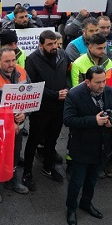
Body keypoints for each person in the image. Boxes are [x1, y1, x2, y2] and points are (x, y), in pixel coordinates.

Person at [64, 65, 112, 225]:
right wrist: (93, 120)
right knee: (77, 181)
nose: (102, 85)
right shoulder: (75, 95)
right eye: (98, 82)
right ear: (87, 82)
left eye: (104, 81)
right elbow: (68, 120)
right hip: (82, 146)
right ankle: (71, 209)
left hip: (102, 146)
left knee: (92, 179)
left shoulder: (110, 91)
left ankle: (86, 203)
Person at [0, 47, 30, 203]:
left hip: (18, 125)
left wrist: (25, 114)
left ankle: (12, 178)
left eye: (13, 60)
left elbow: (29, 97)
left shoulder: (21, 71)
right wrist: (11, 122)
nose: (11, 64)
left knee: (15, 152)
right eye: (7, 61)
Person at [22, 31, 70, 190]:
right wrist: (55, 94)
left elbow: (67, 76)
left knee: (52, 139)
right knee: (33, 140)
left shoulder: (62, 55)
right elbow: (33, 86)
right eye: (49, 44)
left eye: (55, 43)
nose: (54, 47)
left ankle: (48, 167)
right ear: (40, 45)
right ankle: (27, 173)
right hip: (40, 109)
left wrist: (67, 89)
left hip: (58, 108)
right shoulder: (32, 60)